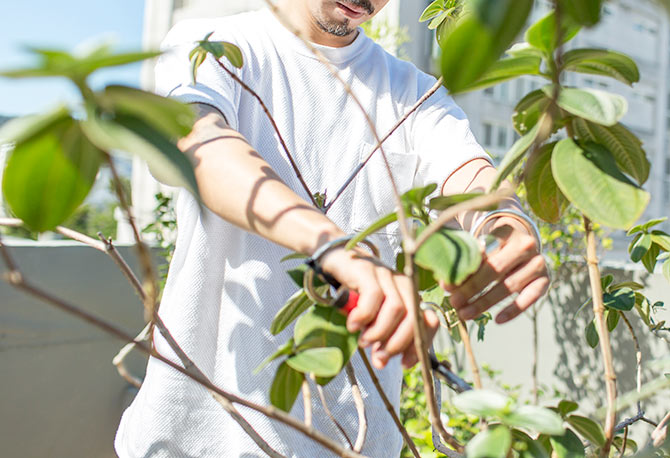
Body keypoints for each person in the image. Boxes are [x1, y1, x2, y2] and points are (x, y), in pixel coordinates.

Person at [115, 0, 550, 456]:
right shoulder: (212, 47)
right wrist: (332, 245)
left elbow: (469, 174)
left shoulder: (413, 92)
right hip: (198, 436)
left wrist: (505, 222)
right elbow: (202, 144)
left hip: (356, 441)